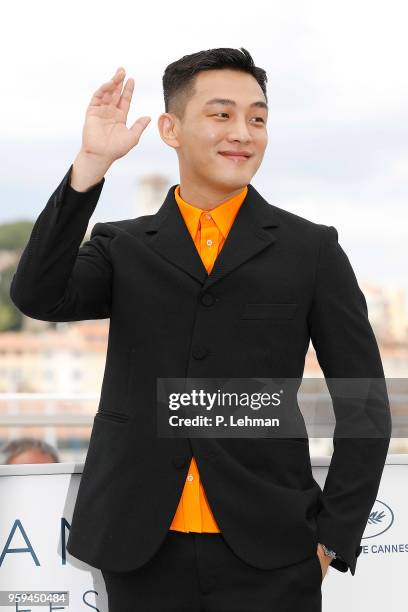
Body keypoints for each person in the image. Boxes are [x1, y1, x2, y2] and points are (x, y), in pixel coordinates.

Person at [9, 48, 391, 612]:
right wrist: (90, 166)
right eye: (221, 114)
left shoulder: (312, 250)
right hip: (140, 546)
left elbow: (364, 404)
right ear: (171, 128)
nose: (243, 133)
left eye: (257, 118)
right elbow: (38, 295)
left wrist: (333, 536)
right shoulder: (124, 245)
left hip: (272, 552)